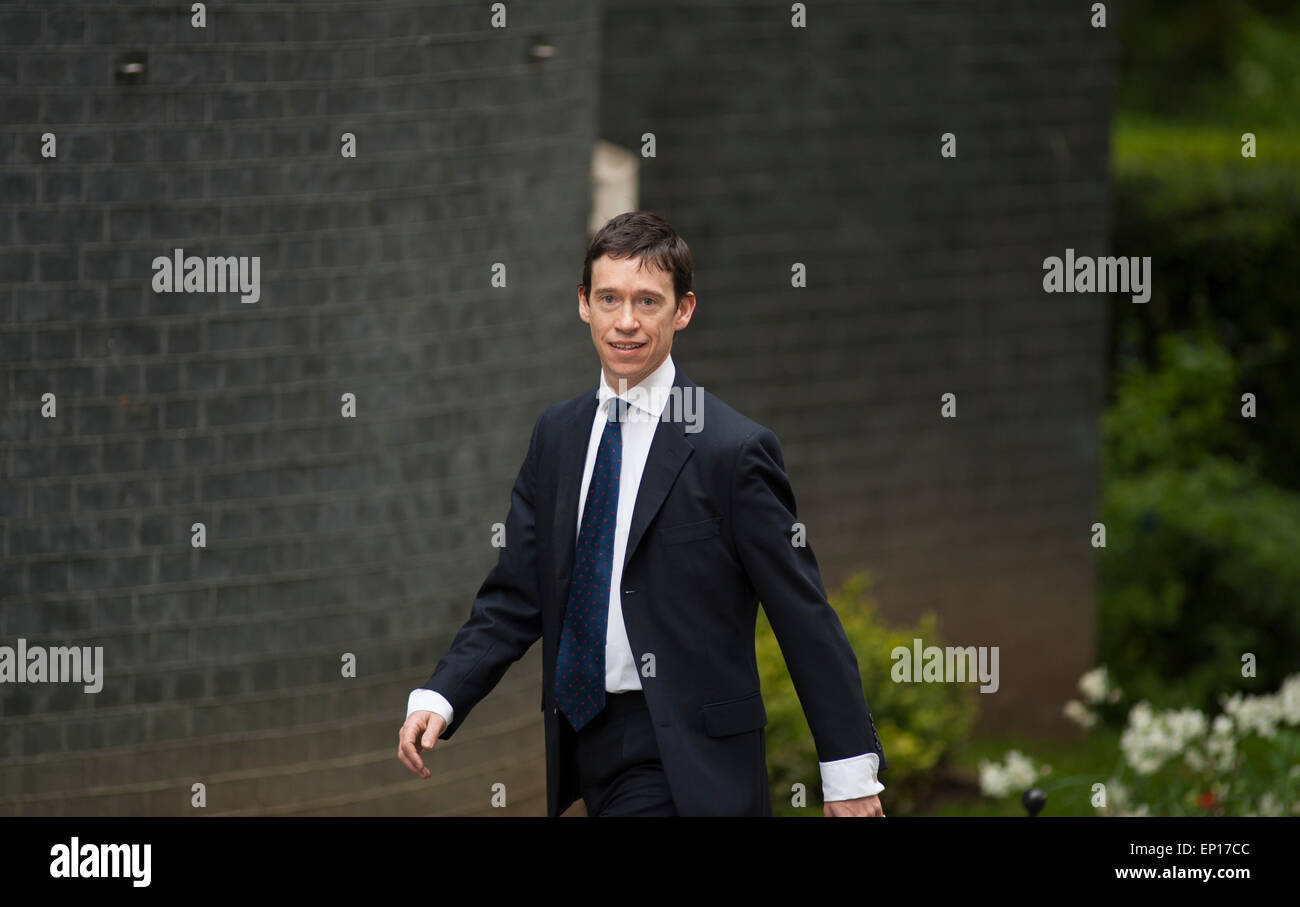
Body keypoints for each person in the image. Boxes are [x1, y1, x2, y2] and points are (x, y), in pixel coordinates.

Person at [398, 211, 887, 816]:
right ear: (584, 304)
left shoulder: (731, 451)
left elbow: (803, 614)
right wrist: (443, 694)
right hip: (585, 743)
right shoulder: (557, 436)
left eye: (647, 301)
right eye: (609, 298)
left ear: (682, 311)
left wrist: (849, 774)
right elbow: (517, 595)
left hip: (688, 759)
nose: (625, 321)